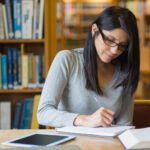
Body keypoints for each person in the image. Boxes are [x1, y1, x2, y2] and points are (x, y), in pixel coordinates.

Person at [37, 6, 140, 128]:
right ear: (94, 29)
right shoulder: (67, 60)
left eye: (122, 45)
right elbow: (43, 113)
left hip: (107, 145)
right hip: (71, 144)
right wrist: (85, 120)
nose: (114, 51)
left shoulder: (125, 71)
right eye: (109, 40)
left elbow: (124, 125)